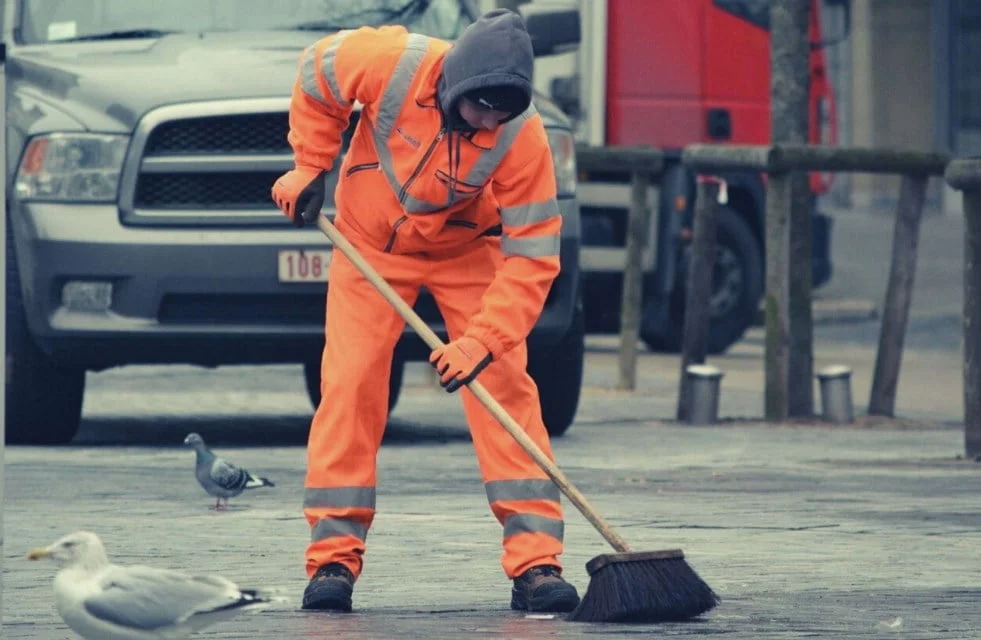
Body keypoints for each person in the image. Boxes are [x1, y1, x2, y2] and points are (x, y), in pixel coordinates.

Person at [272, 8, 579, 614]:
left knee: (504, 385)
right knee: (351, 384)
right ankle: (332, 561)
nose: (490, 122)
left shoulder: (524, 137)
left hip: (469, 250)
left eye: (503, 112)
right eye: (481, 109)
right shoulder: (387, 61)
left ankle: (537, 562)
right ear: (454, 84)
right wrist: (311, 163)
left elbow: (534, 257)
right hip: (369, 244)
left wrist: (484, 340)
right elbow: (316, 75)